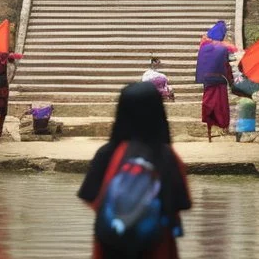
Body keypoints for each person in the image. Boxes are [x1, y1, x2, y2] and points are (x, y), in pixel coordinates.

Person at [78, 82, 191, 258]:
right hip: (157, 248)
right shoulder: (166, 156)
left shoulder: (107, 153)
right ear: (159, 114)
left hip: (110, 249)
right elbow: (183, 203)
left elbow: (89, 196)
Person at [195, 21, 237, 142]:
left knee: (208, 104)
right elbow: (227, 64)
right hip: (220, 79)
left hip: (207, 79)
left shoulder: (204, 47)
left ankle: (209, 132)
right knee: (221, 106)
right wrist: (231, 80)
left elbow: (202, 63)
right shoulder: (224, 48)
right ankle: (224, 127)